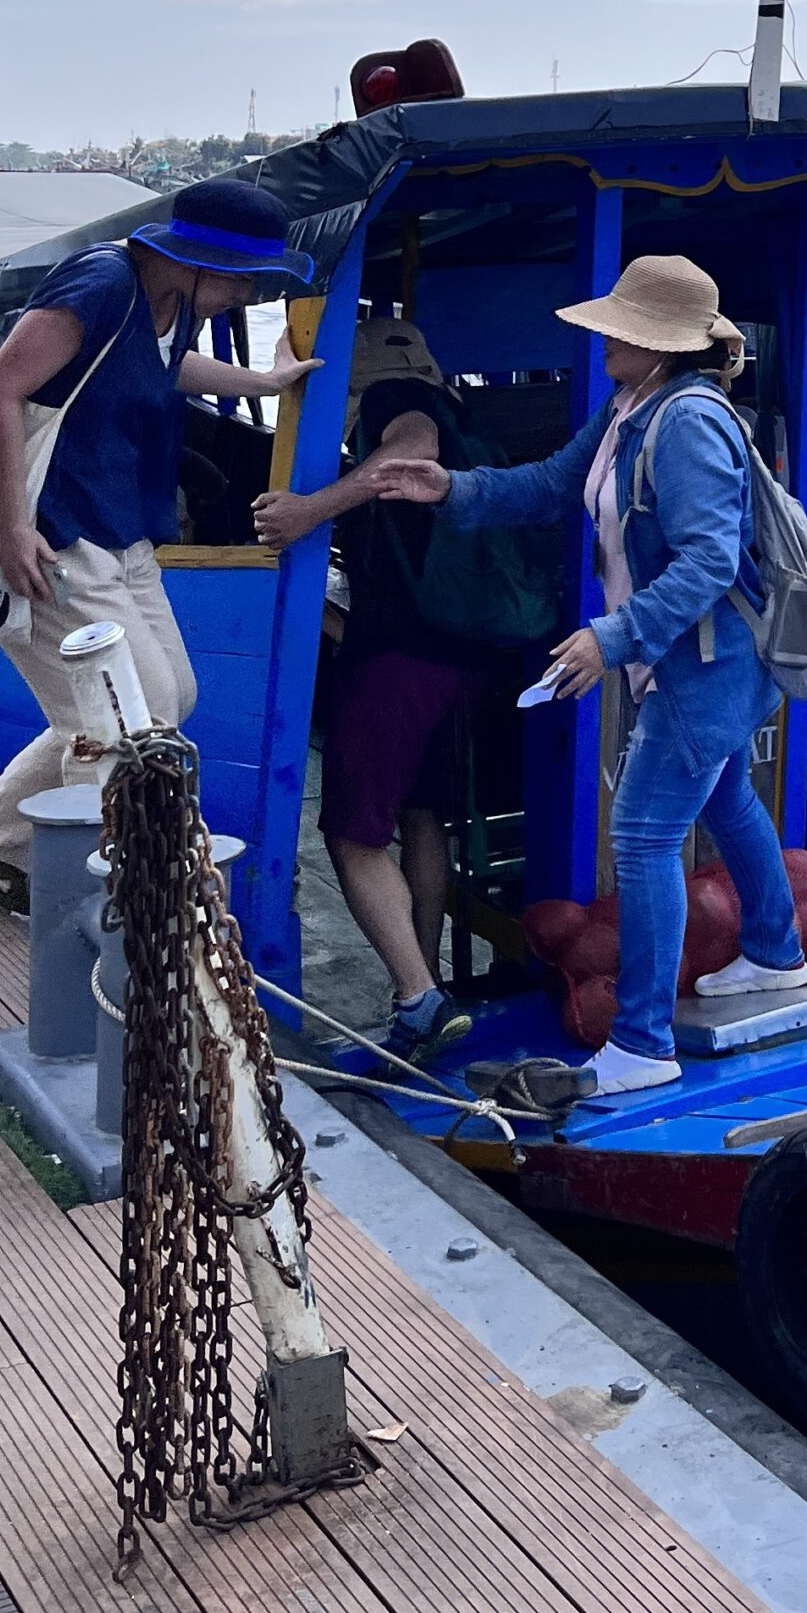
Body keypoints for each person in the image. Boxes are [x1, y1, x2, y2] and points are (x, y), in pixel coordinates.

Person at [365, 253, 803, 1100]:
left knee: (641, 837)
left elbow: (710, 560)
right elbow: (552, 485)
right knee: (724, 799)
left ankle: (641, 1042)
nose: (603, 335)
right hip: (687, 659)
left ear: (656, 343)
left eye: (619, 325)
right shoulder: (630, 409)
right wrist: (450, 487)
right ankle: (778, 952)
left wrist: (611, 637)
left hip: (703, 665)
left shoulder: (686, 426)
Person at [0, 178, 320, 912]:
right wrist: (15, 529)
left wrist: (262, 378)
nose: (245, 295)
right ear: (201, 259)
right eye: (242, 279)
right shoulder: (104, 281)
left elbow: (167, 368)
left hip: (121, 530)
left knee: (171, 694)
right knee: (127, 721)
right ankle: (128, 904)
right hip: (58, 533)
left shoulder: (171, 302)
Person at [252, 318, 478, 1062]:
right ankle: (425, 987)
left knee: (351, 833)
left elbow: (413, 446)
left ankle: (416, 995)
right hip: (455, 650)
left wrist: (309, 510)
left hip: (398, 662)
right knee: (422, 819)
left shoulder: (394, 401)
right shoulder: (463, 411)